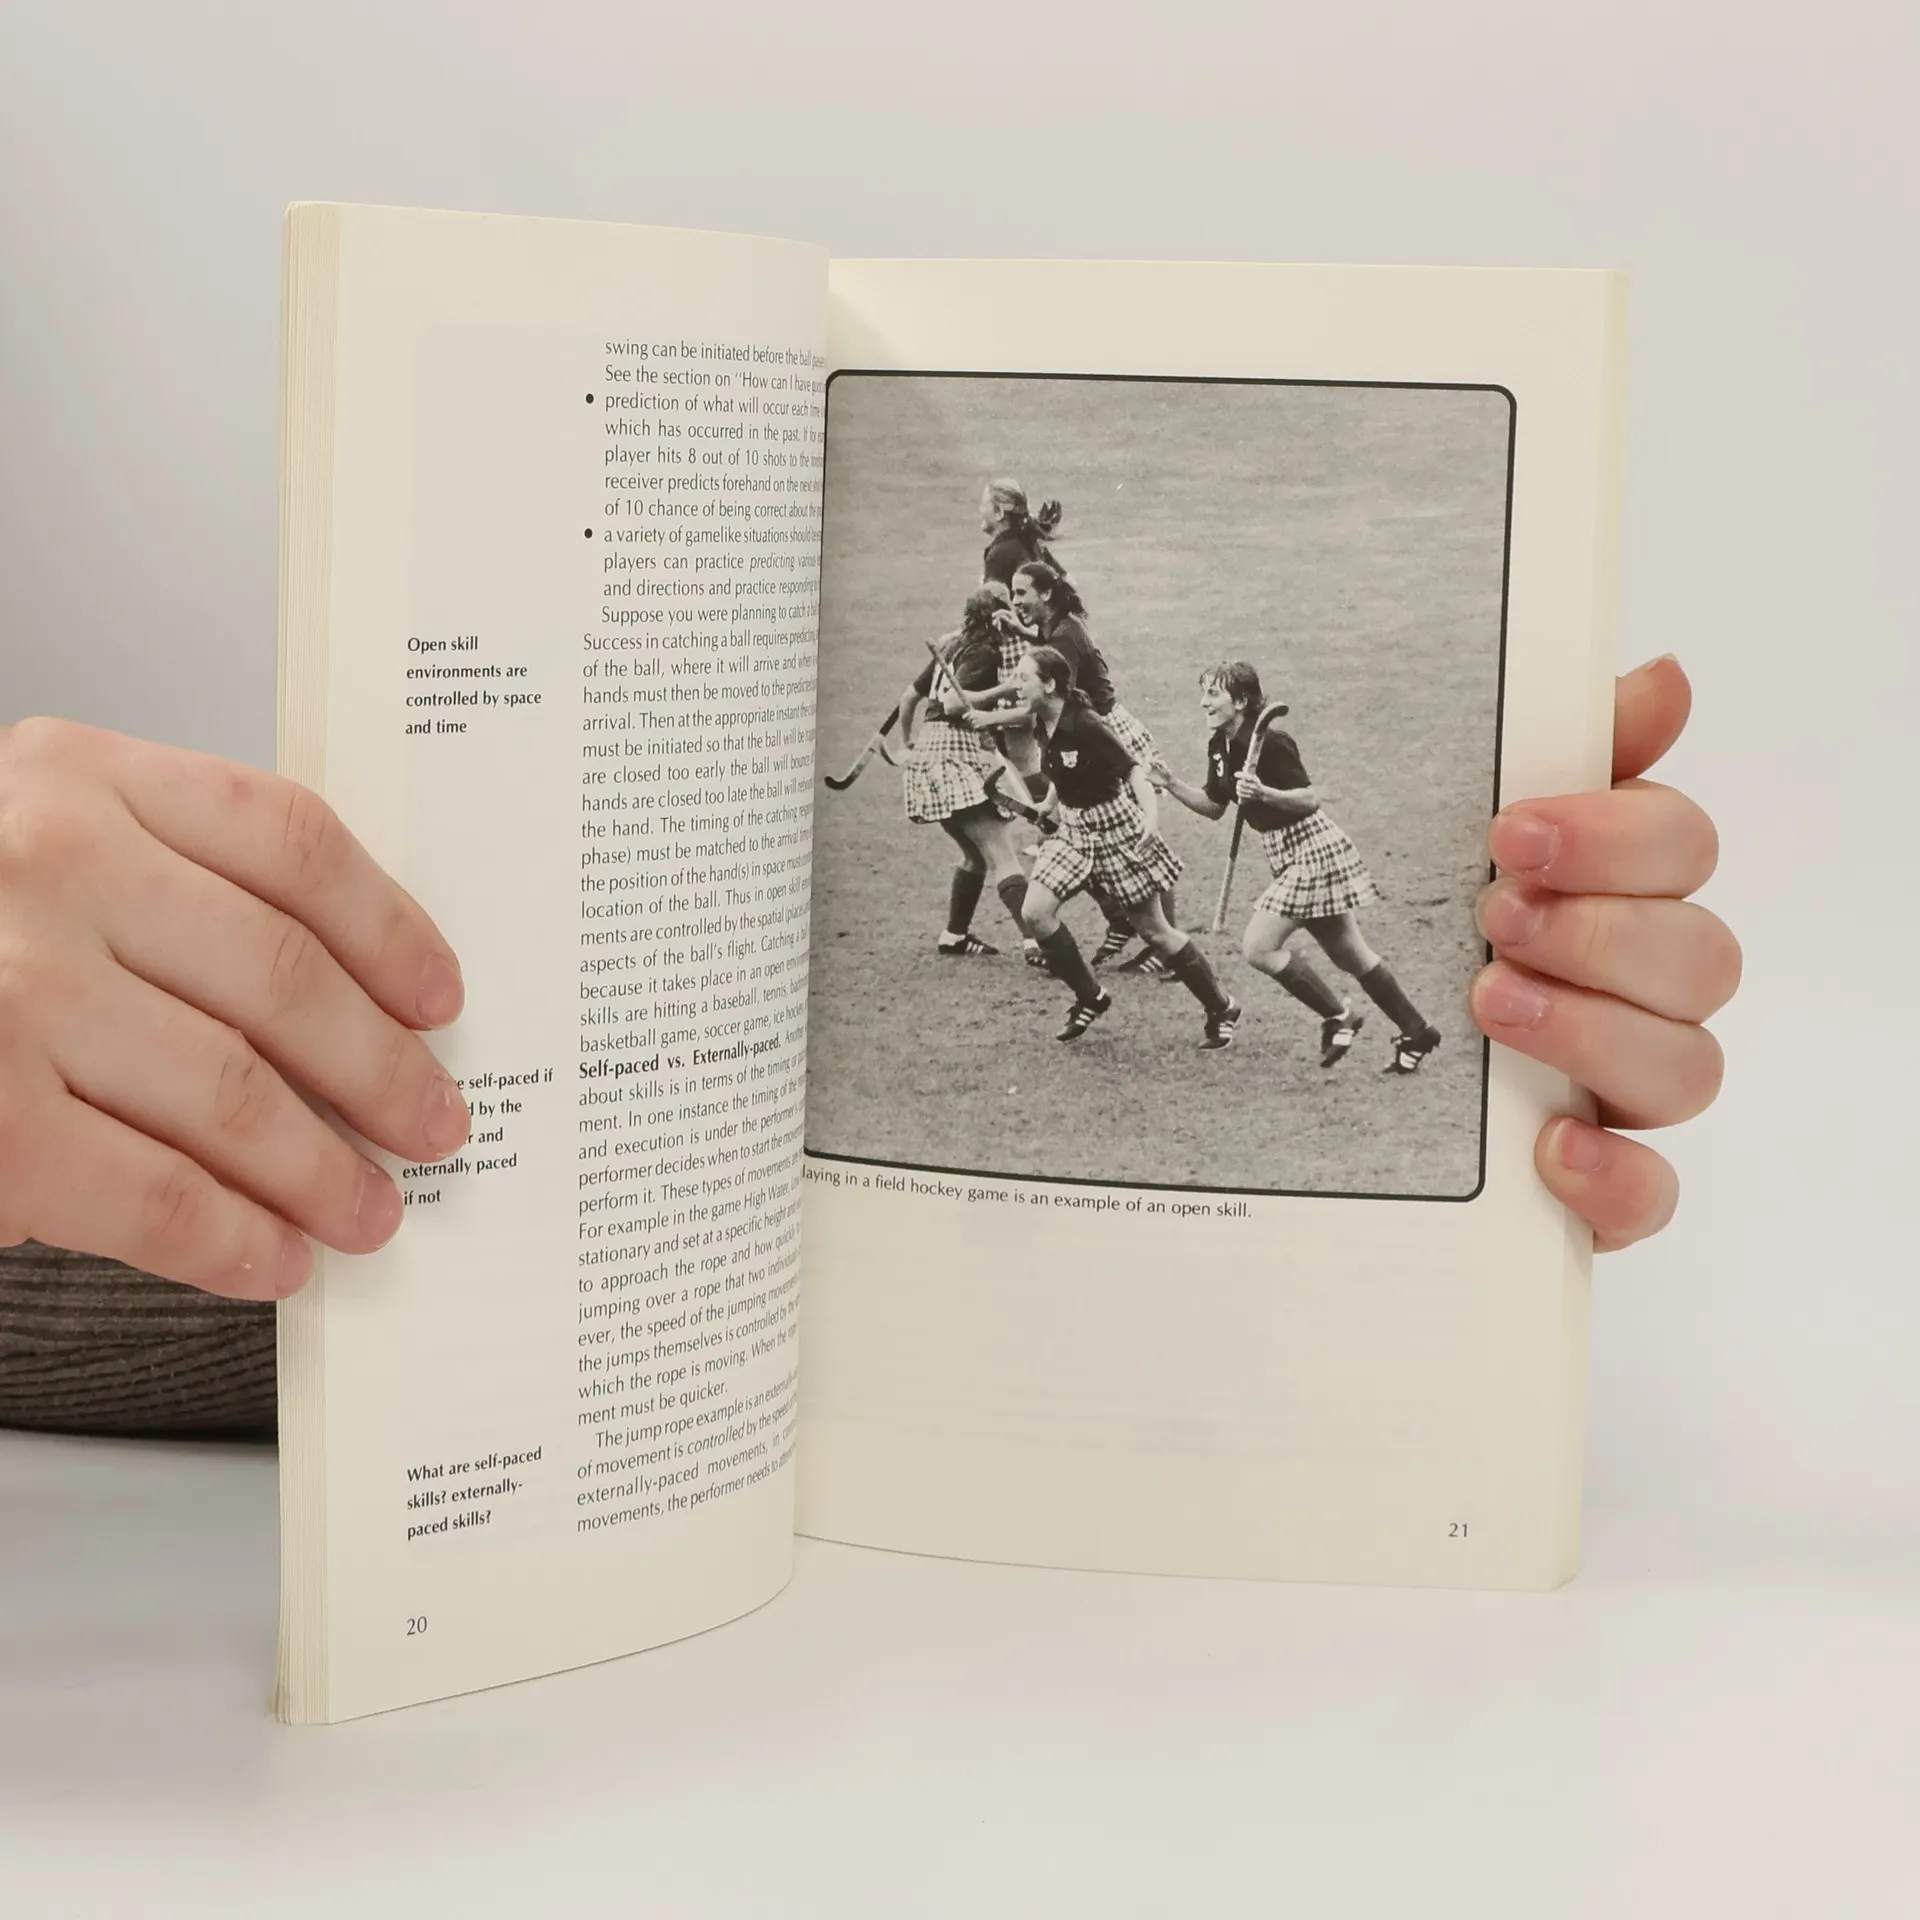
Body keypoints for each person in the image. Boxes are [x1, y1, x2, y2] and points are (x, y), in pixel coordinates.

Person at [0, 655, 1736, 1325]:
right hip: (1105, 840)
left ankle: (1295, 1013)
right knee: (1092, 914)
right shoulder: (1041, 712)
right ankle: (1199, 997)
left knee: (1268, 948)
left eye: (1027, 673)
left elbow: (1168, 779)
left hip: (1151, 843)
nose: (1016, 682)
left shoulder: (1114, 720)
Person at [1153, 659, 1442, 1071]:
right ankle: (1417, 1031)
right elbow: (1215, 805)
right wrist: (1171, 784)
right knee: (1350, 955)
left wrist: (1264, 793)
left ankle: (1339, 1017)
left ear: (1241, 701)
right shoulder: (1219, 744)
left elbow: (1309, 799)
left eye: (1213, 694)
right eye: (1204, 693)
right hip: (1283, 852)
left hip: (1313, 848)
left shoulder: (1272, 742)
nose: (1204, 703)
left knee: (1258, 947)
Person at [1009, 645, 1241, 1047]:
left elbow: (1134, 774)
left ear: (1048, 685)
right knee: (1035, 913)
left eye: (1022, 677)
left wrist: (1150, 820)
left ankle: (1221, 1007)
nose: (1015, 684)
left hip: (1116, 827)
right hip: (1074, 830)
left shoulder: (1087, 724)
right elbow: (1060, 772)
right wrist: (1047, 806)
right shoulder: (1042, 722)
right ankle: (1090, 996)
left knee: (1155, 931)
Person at [955, 561, 1177, 974]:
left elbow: (1050, 701)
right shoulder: (1055, 627)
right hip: (1083, 735)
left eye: (1022, 593)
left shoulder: (1064, 637)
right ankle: (1132, 927)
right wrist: (1023, 633)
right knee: (1091, 837)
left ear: (1046, 595)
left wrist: (986, 711)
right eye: (1013, 593)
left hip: (1101, 733)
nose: (1016, 601)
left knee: (1140, 840)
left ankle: (1164, 946)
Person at [897, 586, 1033, 957]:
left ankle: (954, 935)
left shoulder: (951, 646)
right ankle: (1038, 941)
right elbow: (955, 704)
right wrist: (1005, 688)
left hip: (929, 754)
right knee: (1004, 855)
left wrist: (907, 744)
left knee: (974, 854)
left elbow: (909, 698)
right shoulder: (985, 651)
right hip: (952, 755)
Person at [979, 478, 1063, 590]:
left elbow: (992, 600)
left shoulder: (999, 555)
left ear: (999, 513)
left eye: (984, 505)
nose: (980, 510)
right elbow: (1068, 584)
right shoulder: (1033, 544)